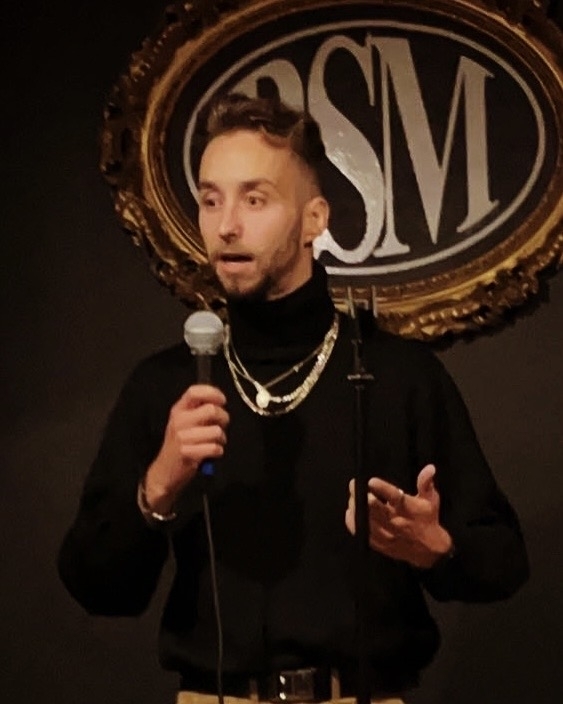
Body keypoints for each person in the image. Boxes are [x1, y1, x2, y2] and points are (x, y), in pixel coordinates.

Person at [58, 93, 529, 704]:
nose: (227, 225)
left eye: (255, 199)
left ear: (314, 220)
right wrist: (156, 491)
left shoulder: (397, 376)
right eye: (211, 200)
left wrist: (435, 550)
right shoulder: (166, 384)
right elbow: (96, 587)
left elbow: (503, 563)